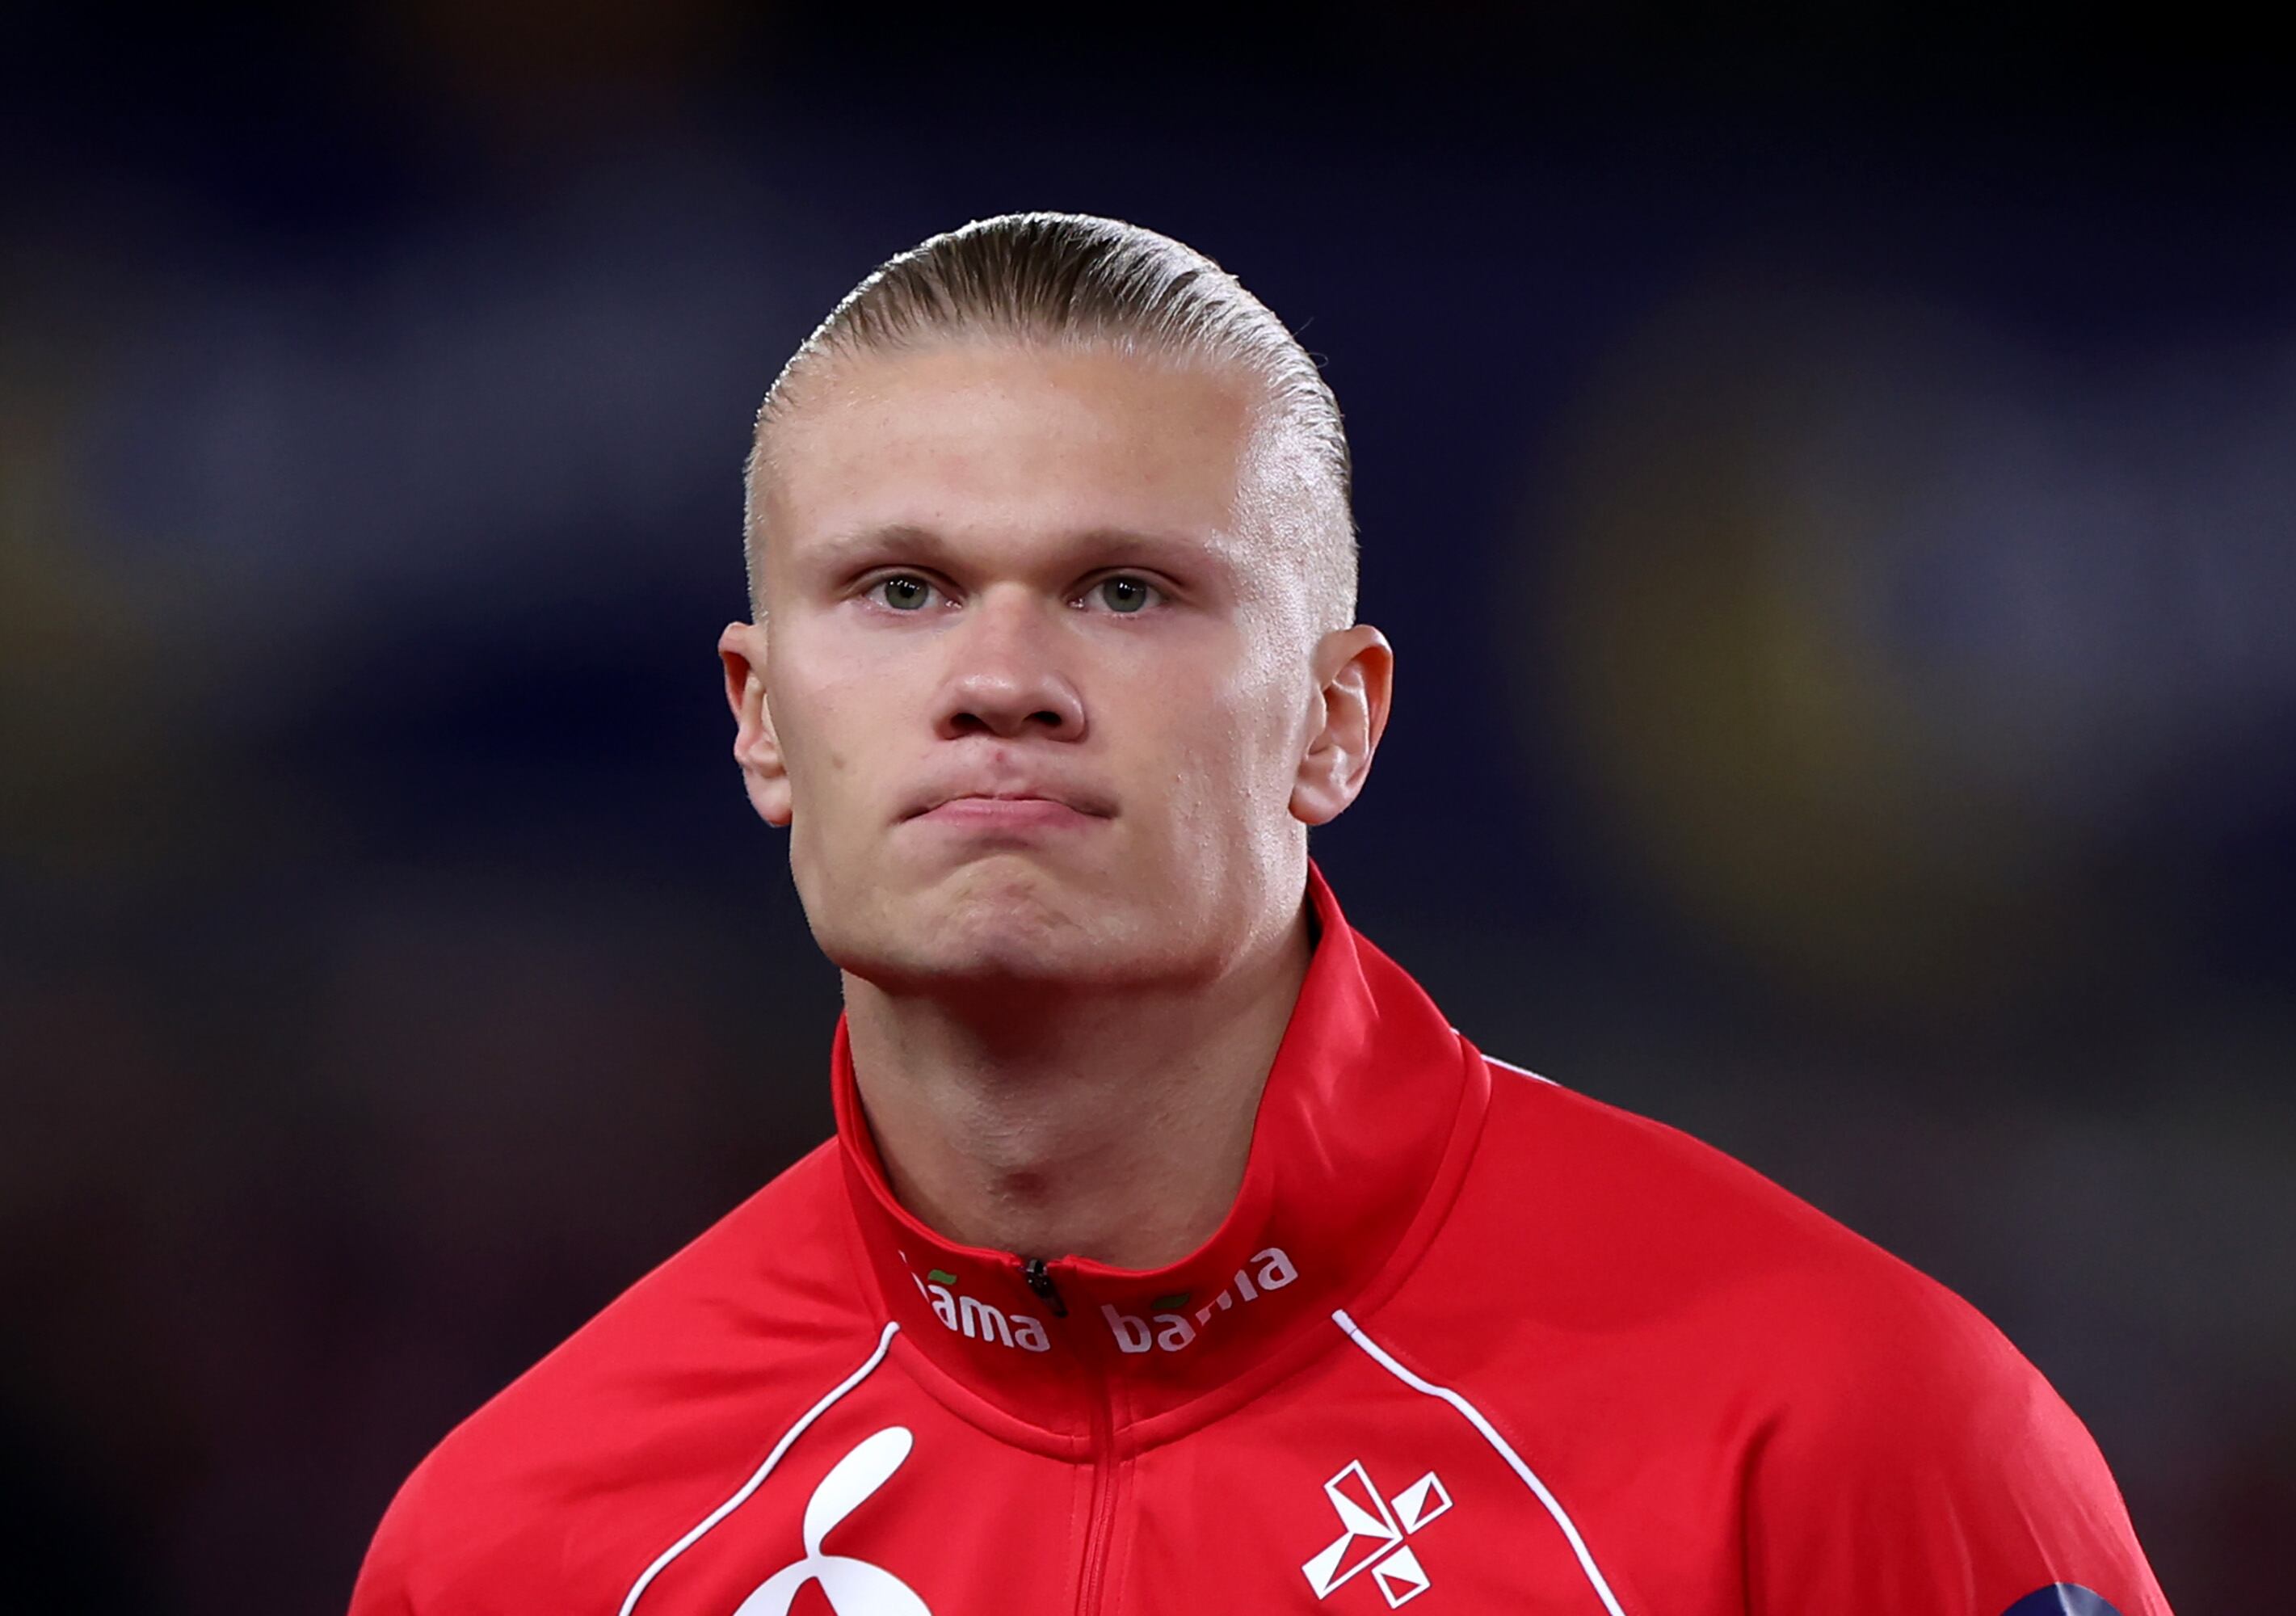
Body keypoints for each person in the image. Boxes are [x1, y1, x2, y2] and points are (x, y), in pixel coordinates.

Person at [348, 213, 2172, 1616]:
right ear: (760, 716)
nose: (1001, 677)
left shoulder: (1842, 1433)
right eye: (899, 588)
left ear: (1334, 720)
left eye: (1125, 590)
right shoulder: (525, 1541)